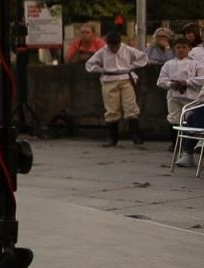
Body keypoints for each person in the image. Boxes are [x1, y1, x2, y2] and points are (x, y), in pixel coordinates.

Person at [86, 29, 148, 147]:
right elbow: (89, 65)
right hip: (109, 79)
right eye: (111, 46)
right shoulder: (102, 52)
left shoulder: (127, 49)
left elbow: (143, 58)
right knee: (111, 108)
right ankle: (112, 137)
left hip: (125, 78)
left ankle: (136, 136)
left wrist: (132, 66)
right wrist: (101, 69)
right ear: (107, 44)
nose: (114, 49)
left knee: (130, 106)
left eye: (116, 46)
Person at [157, 38, 203, 167]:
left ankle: (188, 149)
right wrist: (172, 84)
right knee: (174, 119)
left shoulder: (196, 64)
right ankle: (177, 146)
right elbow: (160, 81)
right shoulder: (169, 64)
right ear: (174, 49)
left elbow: (202, 79)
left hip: (191, 97)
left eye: (184, 47)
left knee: (190, 121)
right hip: (174, 95)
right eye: (178, 47)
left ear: (189, 49)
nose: (181, 50)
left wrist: (187, 82)